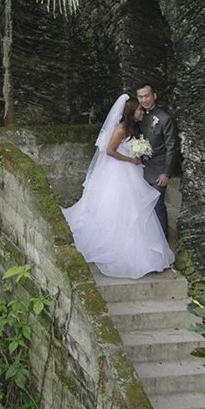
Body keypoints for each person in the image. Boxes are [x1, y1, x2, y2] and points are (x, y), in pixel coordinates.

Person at [60, 87, 175, 278]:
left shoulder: (137, 125)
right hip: (121, 171)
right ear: (132, 111)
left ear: (154, 96)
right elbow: (109, 150)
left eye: (145, 101)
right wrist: (131, 159)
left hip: (134, 171)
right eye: (139, 108)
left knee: (135, 208)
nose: (142, 111)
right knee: (120, 207)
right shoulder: (121, 128)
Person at [135, 82, 182, 242]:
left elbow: (171, 147)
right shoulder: (139, 116)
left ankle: (163, 241)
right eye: (141, 97)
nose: (144, 100)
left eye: (147, 96)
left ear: (154, 96)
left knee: (158, 204)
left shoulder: (164, 118)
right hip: (142, 168)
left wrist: (166, 173)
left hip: (159, 170)